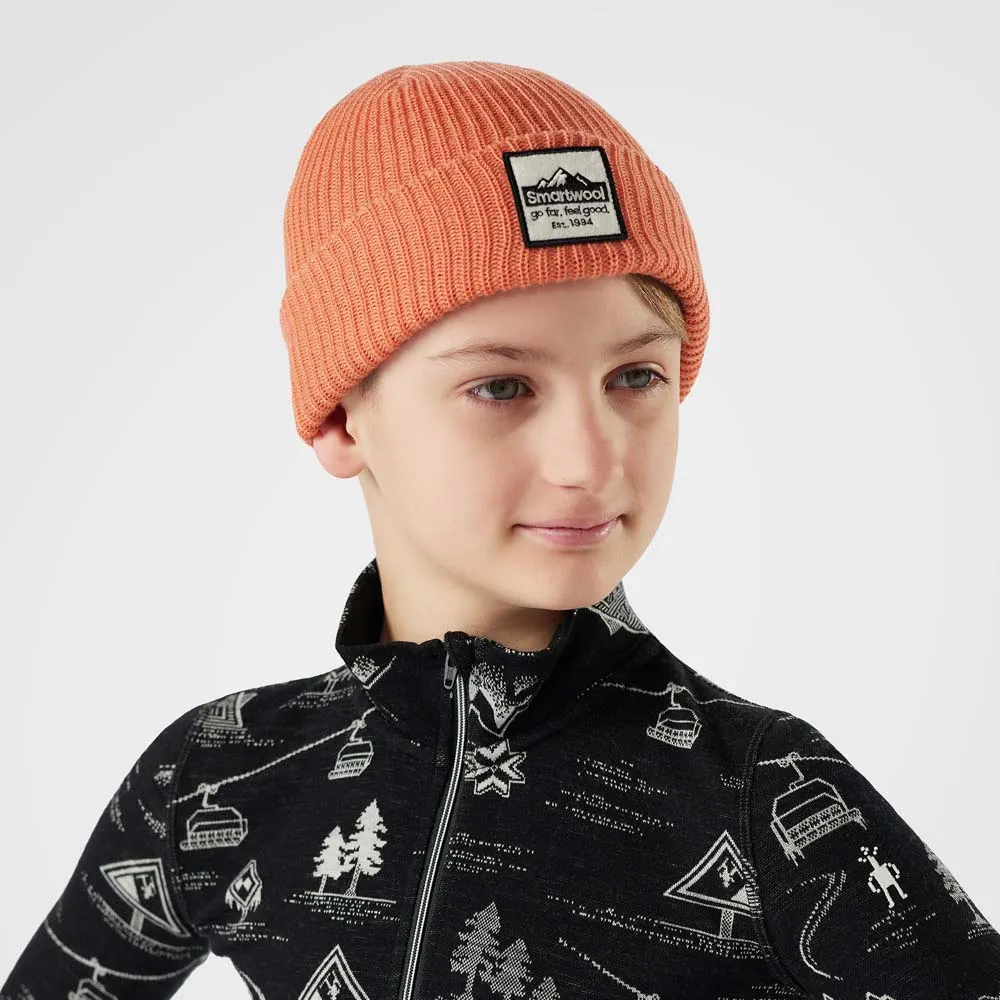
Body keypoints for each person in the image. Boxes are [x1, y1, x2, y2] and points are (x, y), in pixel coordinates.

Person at [3, 60, 998, 1000]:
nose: (590, 459)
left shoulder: (760, 790)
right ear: (343, 419)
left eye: (636, 376)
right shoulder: (220, 774)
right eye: (502, 386)